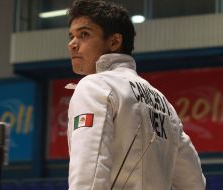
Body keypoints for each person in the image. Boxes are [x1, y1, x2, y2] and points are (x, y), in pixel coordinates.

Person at [66, 0, 206, 189]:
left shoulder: (94, 86)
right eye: (71, 36)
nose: (72, 44)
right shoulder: (165, 105)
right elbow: (194, 183)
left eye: (84, 34)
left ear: (114, 41)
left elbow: (89, 173)